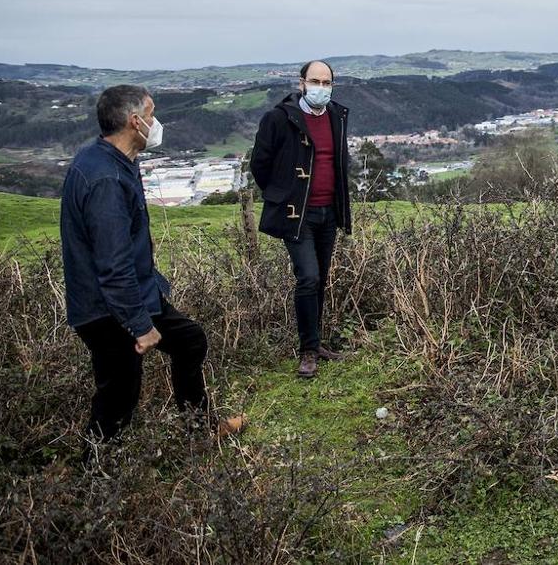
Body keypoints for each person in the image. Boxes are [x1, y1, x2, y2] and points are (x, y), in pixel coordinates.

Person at [61, 85, 246, 456]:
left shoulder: (110, 161)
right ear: (135, 121)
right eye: (152, 113)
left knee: (190, 340)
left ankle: (198, 428)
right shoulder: (106, 181)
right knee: (118, 396)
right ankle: (90, 479)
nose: (156, 122)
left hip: (132, 295)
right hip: (109, 308)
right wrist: (140, 325)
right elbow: (113, 266)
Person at [250, 60, 352, 378]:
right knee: (307, 277)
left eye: (326, 82)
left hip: (328, 212)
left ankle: (316, 342)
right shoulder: (279, 119)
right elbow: (260, 165)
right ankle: (308, 350)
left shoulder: (337, 115)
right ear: (301, 83)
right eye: (315, 81)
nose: (321, 87)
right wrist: (283, 194)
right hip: (298, 214)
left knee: (320, 277)